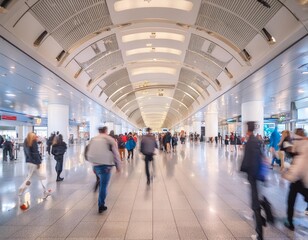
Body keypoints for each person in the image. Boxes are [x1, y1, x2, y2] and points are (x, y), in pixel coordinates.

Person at [85, 126, 121, 213]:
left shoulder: (93, 139)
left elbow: (88, 151)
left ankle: (97, 187)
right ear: (106, 131)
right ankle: (101, 205)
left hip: (95, 165)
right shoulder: (109, 139)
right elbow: (116, 154)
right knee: (103, 185)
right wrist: (118, 166)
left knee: (100, 180)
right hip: (106, 166)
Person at [240, 122, 266, 240]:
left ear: (248, 130)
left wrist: (244, 170)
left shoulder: (251, 142)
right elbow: (261, 157)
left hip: (254, 175)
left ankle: (259, 234)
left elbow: (249, 160)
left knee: (255, 204)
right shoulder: (256, 140)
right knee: (257, 200)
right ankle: (263, 219)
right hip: (257, 175)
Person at [282, 128, 308, 231]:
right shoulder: (302, 146)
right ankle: (289, 221)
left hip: (298, 179)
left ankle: (290, 222)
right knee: (295, 198)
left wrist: (286, 175)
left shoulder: (301, 150)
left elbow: (297, 168)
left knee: (291, 200)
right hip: (303, 179)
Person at [18, 132, 49, 197]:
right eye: (34, 136)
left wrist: (29, 159)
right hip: (34, 163)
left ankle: (45, 191)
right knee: (30, 178)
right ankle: (21, 189)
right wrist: (38, 162)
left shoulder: (26, 141)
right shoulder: (33, 141)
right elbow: (35, 153)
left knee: (39, 176)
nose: (36, 136)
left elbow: (27, 152)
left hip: (29, 162)